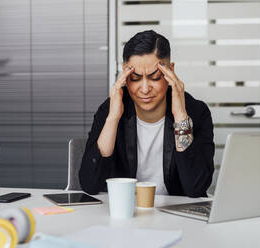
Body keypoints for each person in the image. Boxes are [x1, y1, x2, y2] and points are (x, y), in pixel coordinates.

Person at [79, 30, 214, 197]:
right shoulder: (110, 109)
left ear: (170, 71)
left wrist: (180, 116)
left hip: (176, 215)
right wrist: (113, 118)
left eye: (155, 77)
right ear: (124, 72)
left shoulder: (196, 112)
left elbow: (196, 188)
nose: (144, 89)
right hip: (125, 211)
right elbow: (90, 184)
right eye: (135, 78)